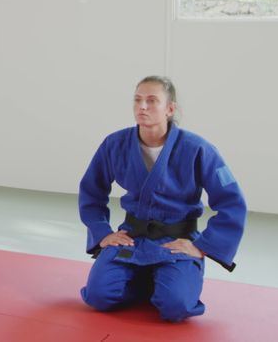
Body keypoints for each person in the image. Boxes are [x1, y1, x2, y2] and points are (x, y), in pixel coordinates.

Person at [77, 76, 246, 322]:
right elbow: (91, 190)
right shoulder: (114, 144)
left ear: (170, 109)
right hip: (131, 239)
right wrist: (102, 233)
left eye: (151, 100)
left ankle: (166, 279)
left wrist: (202, 246)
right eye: (137, 100)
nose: (142, 106)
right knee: (98, 297)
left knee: (176, 306)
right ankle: (149, 280)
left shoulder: (198, 148)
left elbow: (232, 201)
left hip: (176, 241)